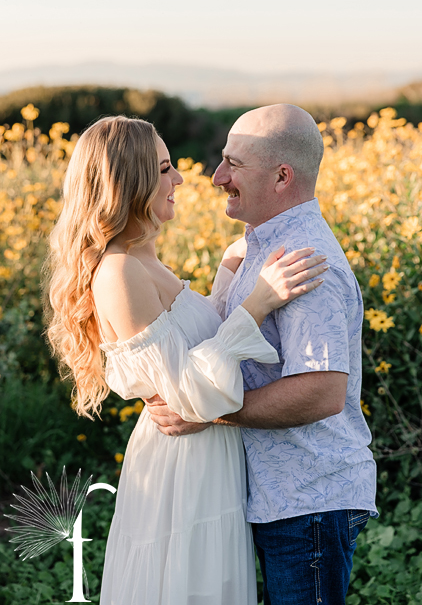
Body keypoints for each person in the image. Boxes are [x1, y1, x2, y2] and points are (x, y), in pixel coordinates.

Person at [45, 116, 328, 604]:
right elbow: (189, 395)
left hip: (207, 459)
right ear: (128, 182)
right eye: (164, 168)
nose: (179, 179)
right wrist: (258, 301)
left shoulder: (145, 260)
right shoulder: (118, 272)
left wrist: (227, 273)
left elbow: (194, 349)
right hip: (181, 468)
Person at [144, 104, 378, 605]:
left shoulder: (303, 263)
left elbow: (321, 392)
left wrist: (209, 415)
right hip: (278, 497)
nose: (216, 177)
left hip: (308, 501)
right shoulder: (258, 246)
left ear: (281, 176)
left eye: (234, 165)